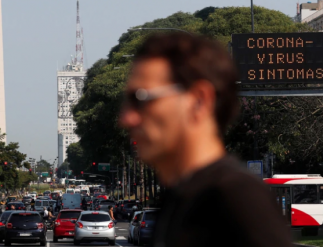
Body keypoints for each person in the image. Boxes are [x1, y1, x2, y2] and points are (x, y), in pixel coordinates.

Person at [119, 33, 292, 247]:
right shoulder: (179, 197)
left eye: (141, 99)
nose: (126, 118)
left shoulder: (237, 198)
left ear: (199, 100)